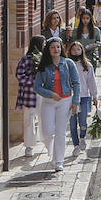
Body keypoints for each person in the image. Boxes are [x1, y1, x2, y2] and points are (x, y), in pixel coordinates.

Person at [33, 37, 78, 173]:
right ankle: (53, 152)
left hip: (65, 101)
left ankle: (59, 161)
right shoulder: (44, 66)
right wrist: (50, 94)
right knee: (47, 131)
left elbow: (76, 83)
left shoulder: (69, 63)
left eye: (58, 47)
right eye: (52, 47)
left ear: (61, 48)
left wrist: (75, 102)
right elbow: (37, 87)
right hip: (48, 102)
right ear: (48, 50)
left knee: (60, 132)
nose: (56, 49)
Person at [67, 40, 97, 157]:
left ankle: (82, 137)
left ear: (82, 51)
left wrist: (94, 95)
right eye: (73, 49)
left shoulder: (87, 65)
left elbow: (91, 81)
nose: (76, 51)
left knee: (83, 120)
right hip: (70, 97)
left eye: (78, 49)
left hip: (84, 96)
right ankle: (75, 145)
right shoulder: (67, 64)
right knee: (72, 123)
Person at [15, 37, 44, 158]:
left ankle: (45, 141)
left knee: (44, 118)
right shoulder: (26, 59)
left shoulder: (45, 58)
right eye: (44, 43)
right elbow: (19, 75)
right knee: (29, 120)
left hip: (43, 93)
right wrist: (33, 81)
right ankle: (28, 146)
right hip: (29, 93)